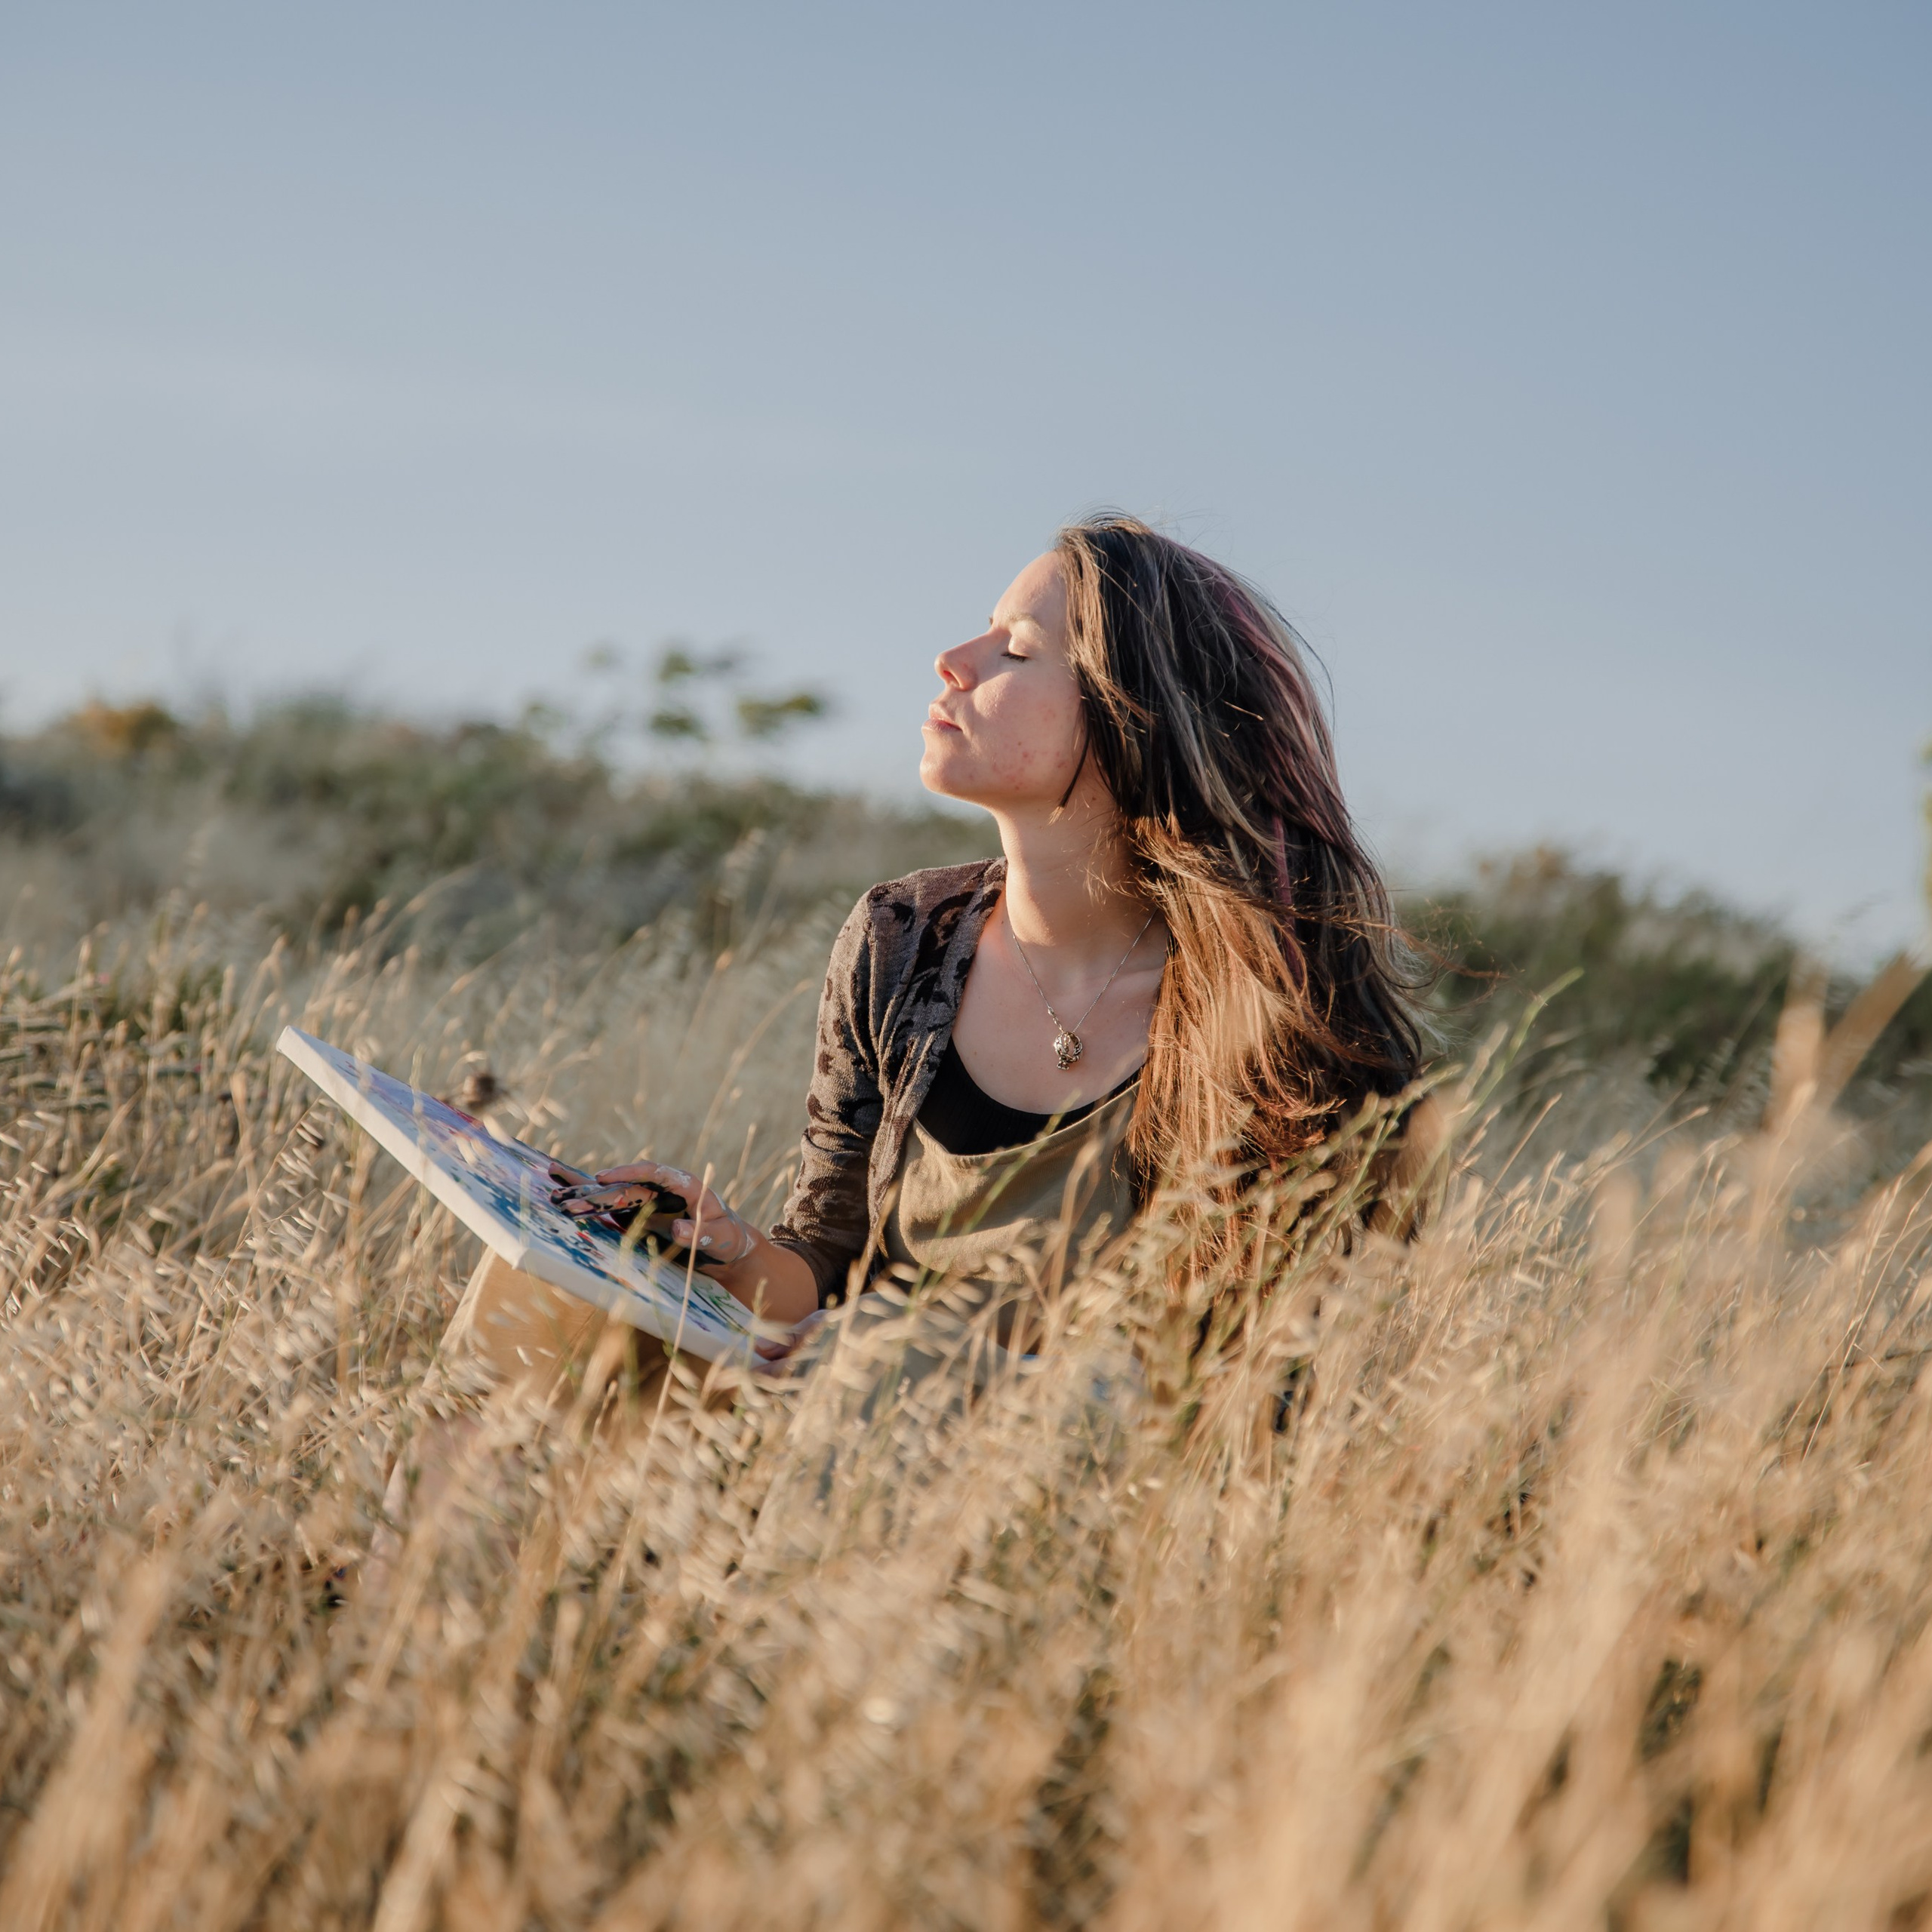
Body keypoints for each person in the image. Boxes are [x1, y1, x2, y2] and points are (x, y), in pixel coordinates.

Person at [445, 512, 1432, 1400]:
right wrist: (723, 1244)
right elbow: (824, 1262)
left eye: (1016, 649)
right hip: (834, 1406)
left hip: (1047, 1473)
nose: (951, 660)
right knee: (540, 1290)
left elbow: (1246, 1379)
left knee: (887, 1362)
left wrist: (920, 1352)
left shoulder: (1270, 1017)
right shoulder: (902, 939)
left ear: (1132, 716)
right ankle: (395, 1593)